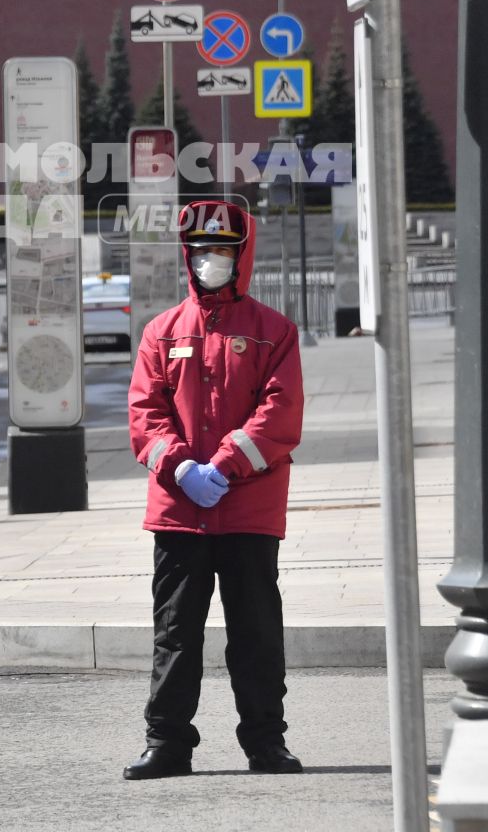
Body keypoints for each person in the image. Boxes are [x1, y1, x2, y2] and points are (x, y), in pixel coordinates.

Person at [123, 198, 305, 780]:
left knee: (256, 635)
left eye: (223, 251)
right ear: (188, 256)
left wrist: (223, 468)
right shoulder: (162, 331)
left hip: (248, 509)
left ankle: (265, 744)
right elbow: (144, 414)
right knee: (176, 635)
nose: (211, 262)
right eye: (202, 252)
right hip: (181, 512)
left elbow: (280, 415)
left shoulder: (274, 332)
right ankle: (167, 745)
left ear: (241, 255)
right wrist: (180, 468)